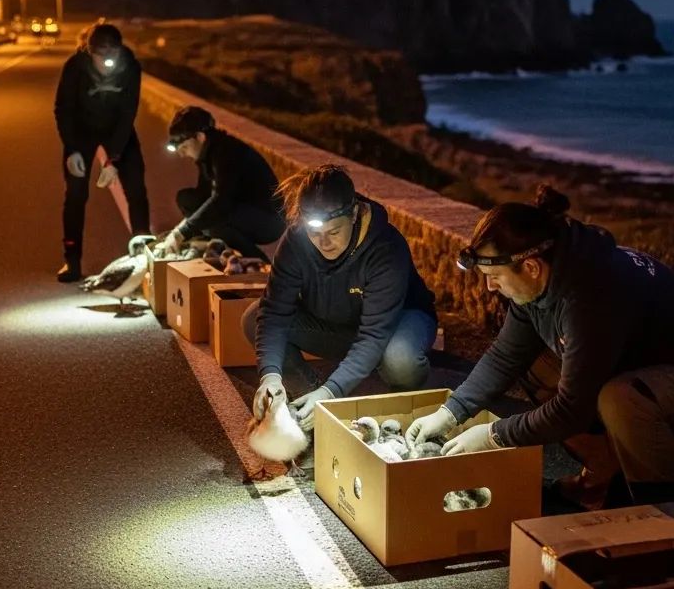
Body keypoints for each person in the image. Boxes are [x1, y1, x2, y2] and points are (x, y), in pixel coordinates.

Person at [405, 185, 674, 507]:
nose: (491, 287)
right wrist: (451, 411)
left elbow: (572, 409)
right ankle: (604, 473)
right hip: (638, 366)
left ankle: (663, 512)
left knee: (619, 398)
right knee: (532, 361)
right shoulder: (543, 279)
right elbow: (505, 355)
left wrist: (493, 435)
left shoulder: (590, 296)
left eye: (494, 277)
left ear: (531, 266)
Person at [246, 164, 438, 429]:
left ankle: (401, 404)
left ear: (355, 213)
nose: (324, 242)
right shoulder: (295, 241)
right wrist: (270, 376)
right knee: (253, 317)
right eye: (314, 233)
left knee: (401, 359)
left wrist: (333, 389)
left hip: (392, 326)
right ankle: (309, 403)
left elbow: (373, 334)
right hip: (339, 326)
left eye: (334, 232)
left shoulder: (386, 248)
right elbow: (274, 313)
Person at [53, 22, 150, 281]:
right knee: (75, 194)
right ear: (89, 50)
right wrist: (72, 149)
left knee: (136, 188)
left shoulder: (131, 66)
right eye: (100, 53)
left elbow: (128, 112)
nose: (107, 59)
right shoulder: (75, 67)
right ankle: (71, 261)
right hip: (81, 131)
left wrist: (114, 159)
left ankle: (144, 256)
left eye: (113, 52)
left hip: (118, 128)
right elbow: (63, 109)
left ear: (120, 49)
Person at [148, 105, 285, 261]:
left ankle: (259, 262)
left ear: (200, 137)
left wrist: (181, 232)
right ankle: (209, 248)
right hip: (242, 209)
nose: (182, 154)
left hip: (269, 219)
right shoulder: (207, 154)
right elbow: (204, 197)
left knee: (216, 218)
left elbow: (220, 201)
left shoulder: (226, 152)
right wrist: (181, 229)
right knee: (187, 199)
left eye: (184, 147)